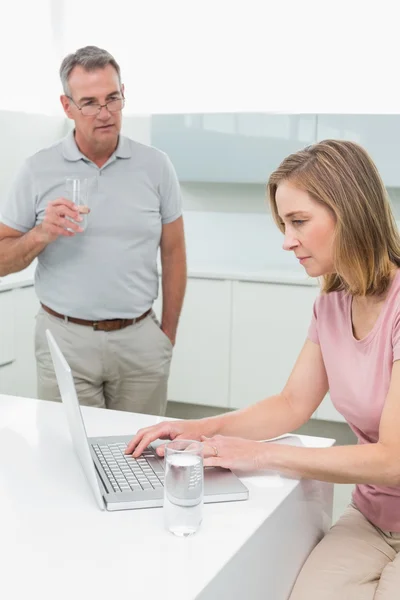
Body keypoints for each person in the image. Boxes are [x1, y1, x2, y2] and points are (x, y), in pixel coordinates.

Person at [125, 139, 400, 598]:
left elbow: (393, 459)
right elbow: (291, 403)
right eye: (284, 223)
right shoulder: (331, 304)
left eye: (298, 222)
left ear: (348, 212)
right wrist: (199, 429)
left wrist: (261, 455)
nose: (286, 239)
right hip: (372, 518)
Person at [0, 46, 187, 416]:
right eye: (89, 102)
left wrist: (166, 334)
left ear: (122, 96)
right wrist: (41, 233)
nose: (104, 113)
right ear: (67, 106)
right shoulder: (37, 169)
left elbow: (175, 252)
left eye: (112, 99)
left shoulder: (156, 166)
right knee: (65, 456)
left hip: (140, 340)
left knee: (139, 456)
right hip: (65, 339)